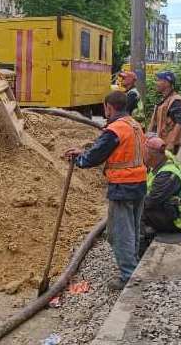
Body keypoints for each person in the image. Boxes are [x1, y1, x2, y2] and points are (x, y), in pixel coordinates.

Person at [63, 90, 147, 290]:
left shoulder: (115, 130)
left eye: (105, 108)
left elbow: (96, 156)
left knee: (120, 233)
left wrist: (80, 159)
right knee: (132, 229)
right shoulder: (134, 125)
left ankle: (128, 275)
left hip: (122, 186)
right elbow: (114, 150)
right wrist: (84, 152)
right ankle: (132, 266)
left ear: (109, 107)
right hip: (139, 183)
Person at [143, 137, 181, 233]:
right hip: (173, 211)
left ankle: (140, 242)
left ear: (151, 155)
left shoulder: (167, 174)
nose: (142, 156)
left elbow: (151, 202)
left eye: (144, 153)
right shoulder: (165, 157)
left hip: (177, 222)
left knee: (137, 212)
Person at [148, 71, 181, 155]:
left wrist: (171, 143)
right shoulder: (165, 99)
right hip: (162, 142)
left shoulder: (176, 100)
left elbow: (180, 122)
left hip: (168, 144)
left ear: (167, 83)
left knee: (166, 167)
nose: (156, 83)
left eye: (158, 80)